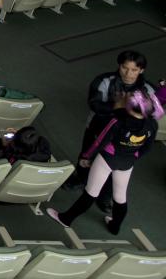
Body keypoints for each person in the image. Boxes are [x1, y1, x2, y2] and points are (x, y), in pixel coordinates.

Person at [48, 90, 161, 235]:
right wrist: (133, 156)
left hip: (108, 158)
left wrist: (86, 156)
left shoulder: (117, 121)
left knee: (91, 192)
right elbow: (147, 148)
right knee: (120, 197)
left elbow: (100, 141)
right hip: (127, 162)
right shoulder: (152, 124)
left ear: (129, 105)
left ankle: (66, 219)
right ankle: (115, 227)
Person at [65, 51, 157, 210]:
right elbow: (94, 104)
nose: (128, 74)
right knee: (86, 156)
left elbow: (154, 113)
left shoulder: (148, 89)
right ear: (119, 66)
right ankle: (80, 179)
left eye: (134, 70)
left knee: (116, 168)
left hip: (126, 137)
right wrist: (119, 104)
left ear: (141, 70)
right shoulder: (104, 81)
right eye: (124, 68)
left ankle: (105, 197)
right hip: (97, 129)